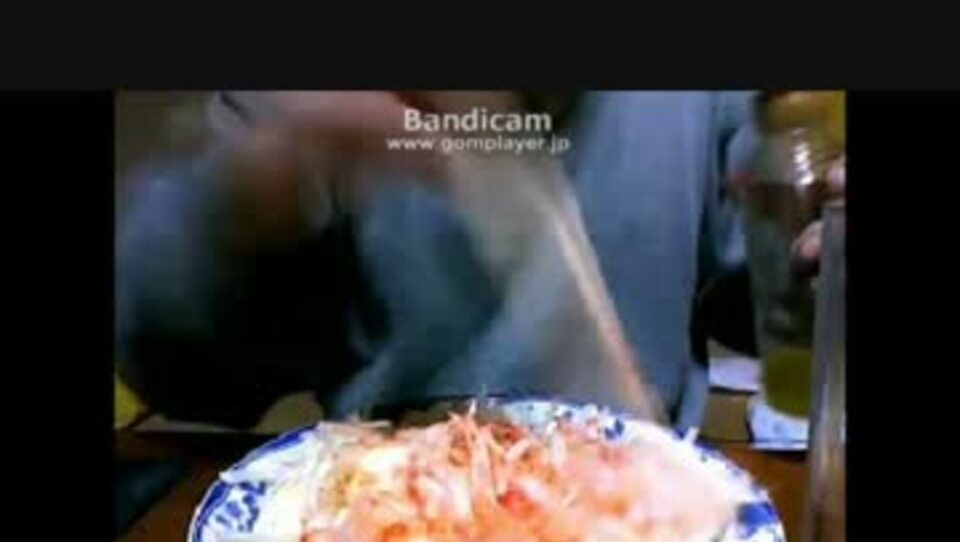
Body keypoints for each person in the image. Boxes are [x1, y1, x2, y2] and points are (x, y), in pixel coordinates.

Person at [115, 91, 841, 431]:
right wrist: (245, 206)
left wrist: (823, 254)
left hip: (652, 530)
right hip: (389, 522)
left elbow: (786, 324)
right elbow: (172, 374)